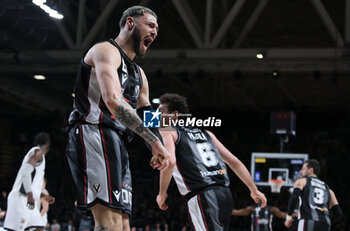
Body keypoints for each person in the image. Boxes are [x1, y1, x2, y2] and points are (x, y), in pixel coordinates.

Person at [65, 5, 169, 231]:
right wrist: (153, 141)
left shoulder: (139, 74)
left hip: (118, 143)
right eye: (150, 25)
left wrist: (158, 142)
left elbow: (147, 114)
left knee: (122, 223)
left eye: (157, 29)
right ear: (130, 23)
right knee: (108, 223)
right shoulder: (105, 50)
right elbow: (112, 101)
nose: (155, 32)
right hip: (93, 133)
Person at [155, 93, 267, 231]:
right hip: (225, 194)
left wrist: (162, 193)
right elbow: (234, 162)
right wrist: (254, 189)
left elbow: (170, 162)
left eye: (161, 112)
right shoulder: (207, 133)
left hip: (203, 195)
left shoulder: (168, 130)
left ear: (175, 115)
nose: (157, 115)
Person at [4, 132, 53, 231]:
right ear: (47, 143)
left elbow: (33, 184)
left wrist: (44, 196)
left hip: (30, 203)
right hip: (21, 199)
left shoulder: (39, 155)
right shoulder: (38, 152)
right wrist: (30, 195)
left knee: (39, 229)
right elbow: (26, 172)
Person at [284, 159, 343, 230]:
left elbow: (294, 197)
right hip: (325, 223)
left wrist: (289, 216)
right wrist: (328, 220)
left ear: (310, 170)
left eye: (303, 169)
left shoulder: (302, 181)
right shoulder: (328, 189)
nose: (300, 172)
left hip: (308, 220)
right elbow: (339, 213)